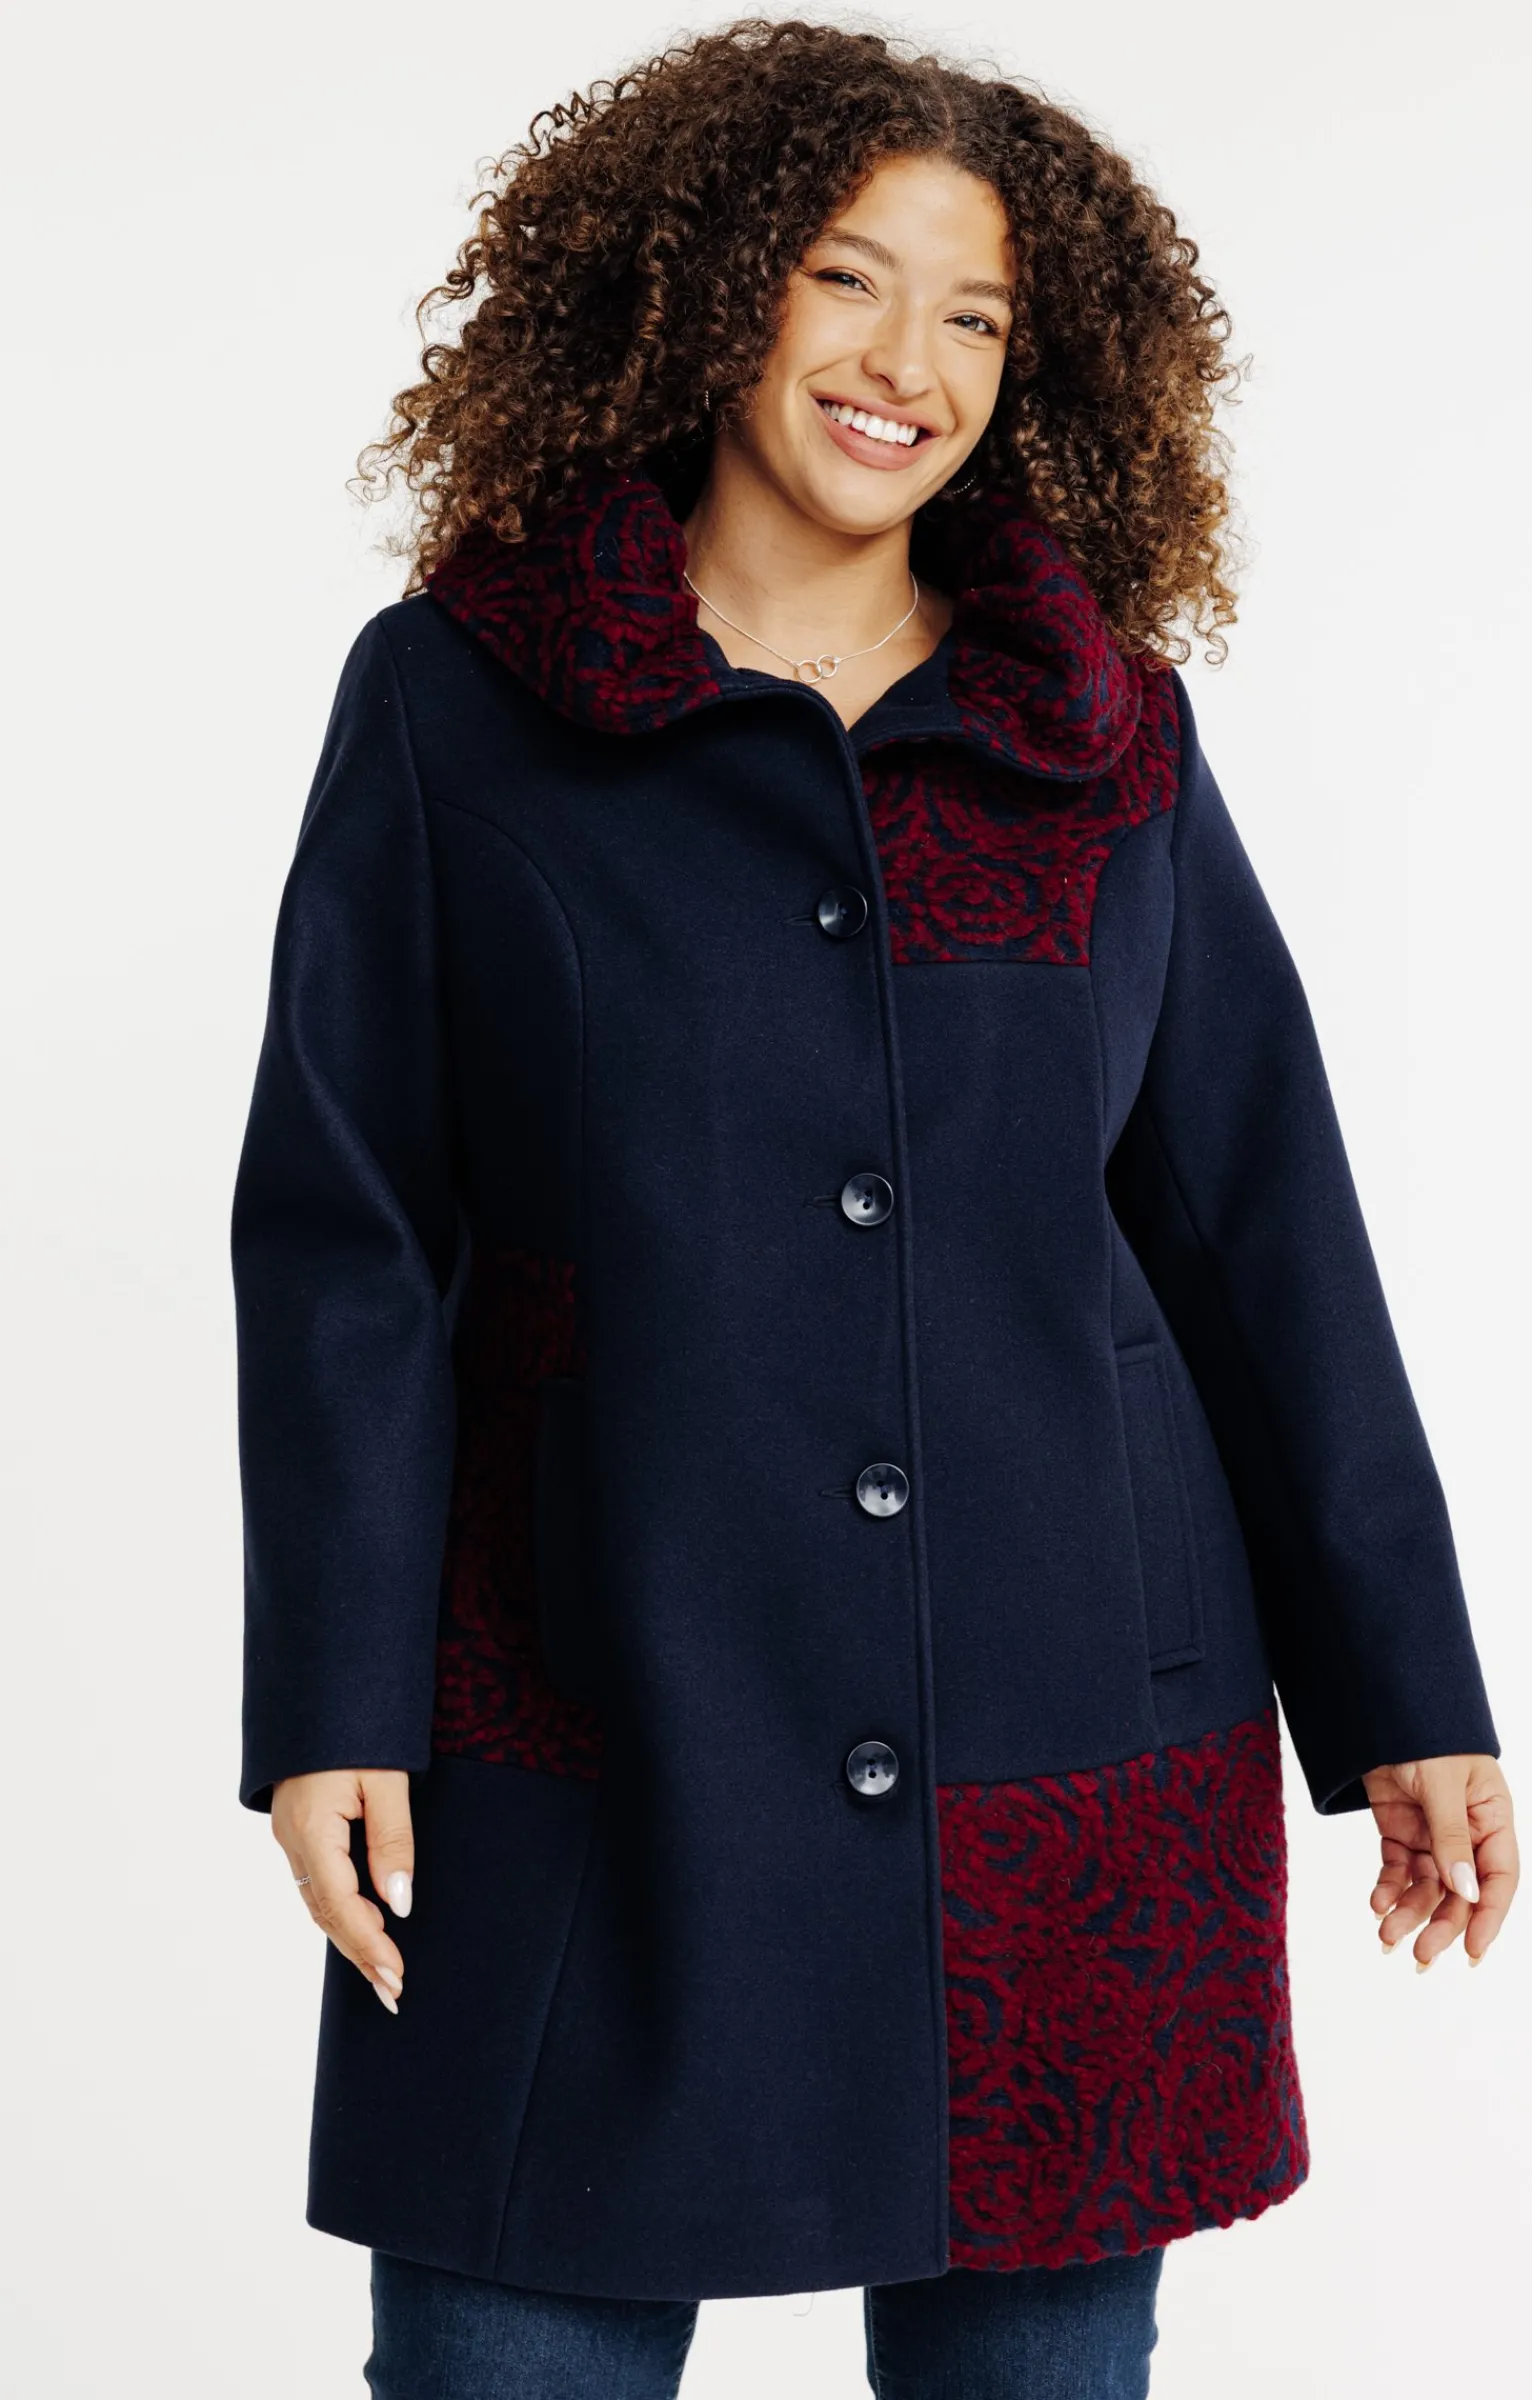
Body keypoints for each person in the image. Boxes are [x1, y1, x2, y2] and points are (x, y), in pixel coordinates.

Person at [230, 19, 1518, 2398]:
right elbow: (351, 1233)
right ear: (713, 286)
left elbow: (1256, 1220)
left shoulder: (1097, 731)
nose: (905, 362)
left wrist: (1407, 1693)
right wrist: (328, 1699)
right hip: (597, 1697)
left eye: (976, 316)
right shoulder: (458, 701)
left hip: (1065, 1733)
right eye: (846, 277)